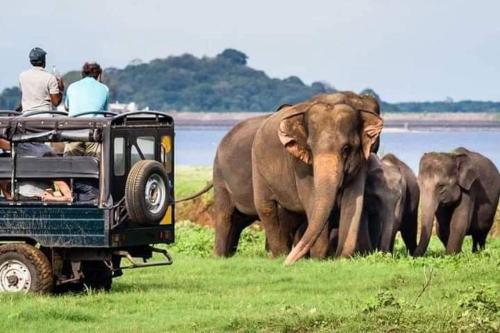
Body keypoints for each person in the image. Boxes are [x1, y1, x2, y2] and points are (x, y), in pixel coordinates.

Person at [19, 47, 64, 112]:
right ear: (44, 60)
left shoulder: (22, 76)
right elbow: (56, 103)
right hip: (45, 117)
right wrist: (61, 90)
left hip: (27, 116)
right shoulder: (50, 78)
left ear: (30, 61)